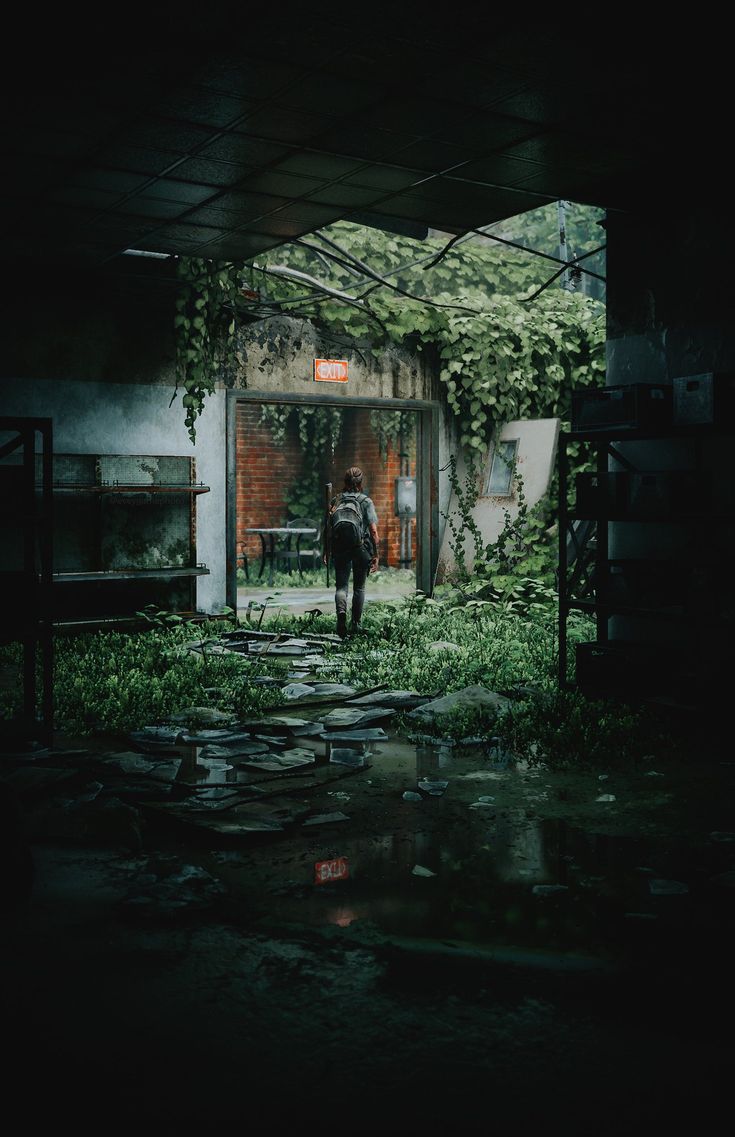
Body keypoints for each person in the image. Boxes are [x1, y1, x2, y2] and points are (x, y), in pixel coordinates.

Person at [323, 466, 379, 639]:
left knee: (341, 587)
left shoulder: (336, 500)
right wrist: (376, 555)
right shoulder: (365, 501)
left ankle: (341, 615)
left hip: (340, 549)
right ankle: (355, 623)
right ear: (361, 483)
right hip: (359, 548)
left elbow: (328, 528)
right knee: (359, 588)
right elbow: (374, 531)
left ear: (345, 482)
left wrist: (327, 550)